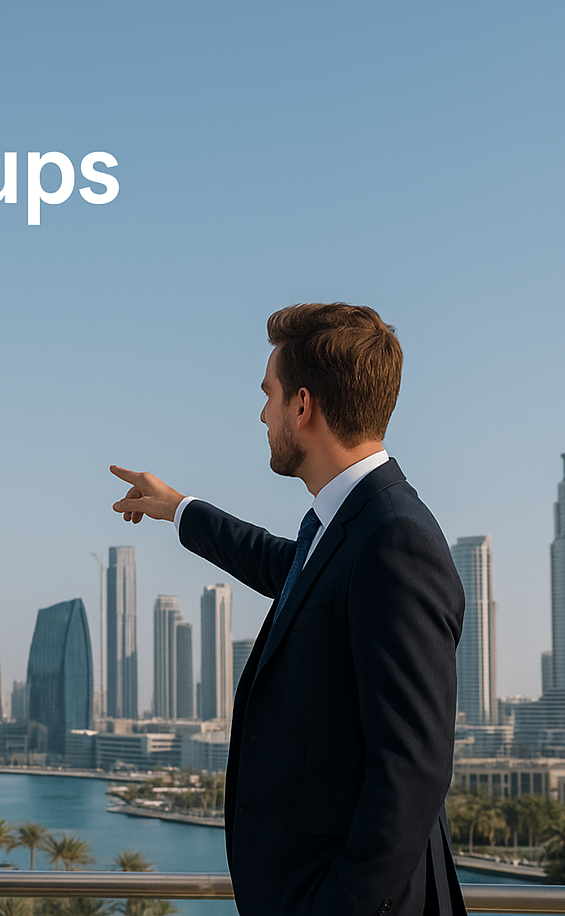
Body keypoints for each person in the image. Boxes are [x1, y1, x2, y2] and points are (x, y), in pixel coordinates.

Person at [111, 303, 466, 916]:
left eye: (268, 395)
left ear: (303, 408)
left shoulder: (395, 540)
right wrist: (181, 508)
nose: (262, 413)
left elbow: (411, 772)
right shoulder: (343, 524)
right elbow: (285, 568)